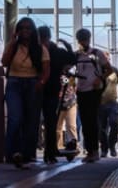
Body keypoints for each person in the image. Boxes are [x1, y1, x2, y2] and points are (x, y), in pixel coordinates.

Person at [0, 17, 49, 169]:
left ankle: (27, 154)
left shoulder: (40, 48)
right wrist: (12, 41)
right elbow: (4, 62)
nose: (25, 31)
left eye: (28, 28)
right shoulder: (14, 46)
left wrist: (40, 83)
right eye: (22, 28)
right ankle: (10, 153)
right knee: (15, 118)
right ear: (18, 31)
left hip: (32, 84)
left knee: (31, 121)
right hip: (14, 83)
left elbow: (46, 70)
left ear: (33, 31)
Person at [38, 27, 75, 164]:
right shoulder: (56, 51)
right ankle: (50, 152)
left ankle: (49, 152)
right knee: (50, 122)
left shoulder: (39, 49)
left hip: (44, 90)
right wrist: (69, 47)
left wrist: (68, 47)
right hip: (51, 89)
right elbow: (72, 60)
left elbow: (72, 60)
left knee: (49, 122)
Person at [73, 28, 109, 163]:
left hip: (94, 92)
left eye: (85, 39)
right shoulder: (76, 55)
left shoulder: (97, 53)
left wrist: (99, 78)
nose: (83, 42)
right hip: (81, 92)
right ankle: (90, 151)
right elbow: (69, 67)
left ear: (89, 39)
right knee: (85, 122)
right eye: (81, 40)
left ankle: (94, 151)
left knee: (92, 121)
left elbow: (109, 69)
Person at [97, 57, 118, 157]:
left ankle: (112, 145)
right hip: (99, 104)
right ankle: (104, 149)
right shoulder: (96, 70)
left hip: (112, 103)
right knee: (101, 128)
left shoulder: (115, 70)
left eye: (106, 58)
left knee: (115, 123)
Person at [55, 74, 78, 153]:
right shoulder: (57, 71)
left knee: (71, 125)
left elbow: (76, 86)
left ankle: (73, 144)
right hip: (59, 103)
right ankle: (58, 146)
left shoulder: (72, 72)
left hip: (71, 102)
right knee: (57, 127)